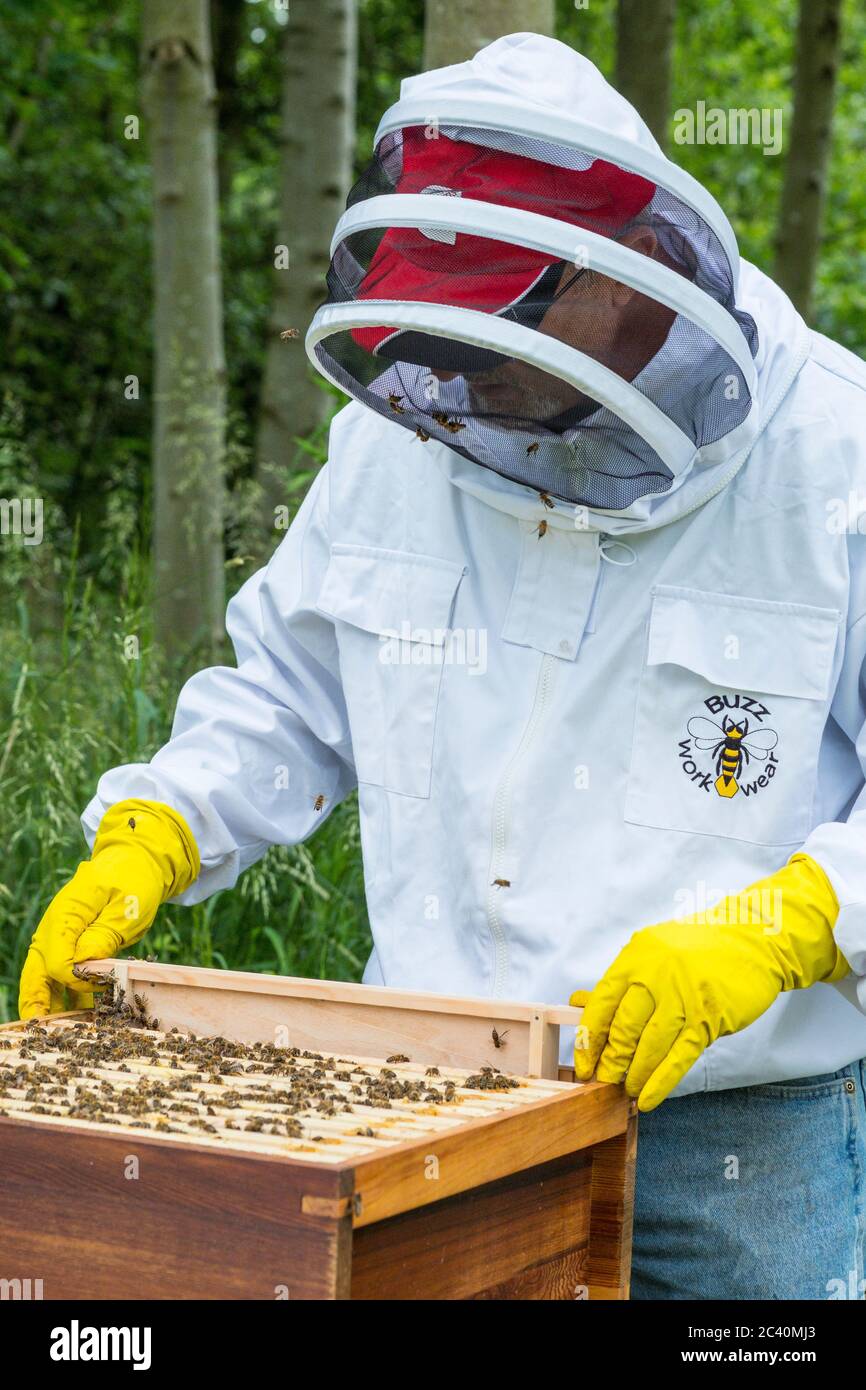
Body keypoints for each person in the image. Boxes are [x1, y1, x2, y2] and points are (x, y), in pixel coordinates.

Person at [20, 33, 866, 1300]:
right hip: (431, 1110)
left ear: (632, 265)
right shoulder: (413, 441)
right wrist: (163, 824)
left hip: (736, 1139)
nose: (469, 388)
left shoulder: (834, 460)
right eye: (451, 348)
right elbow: (289, 693)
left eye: (500, 342)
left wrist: (795, 922)